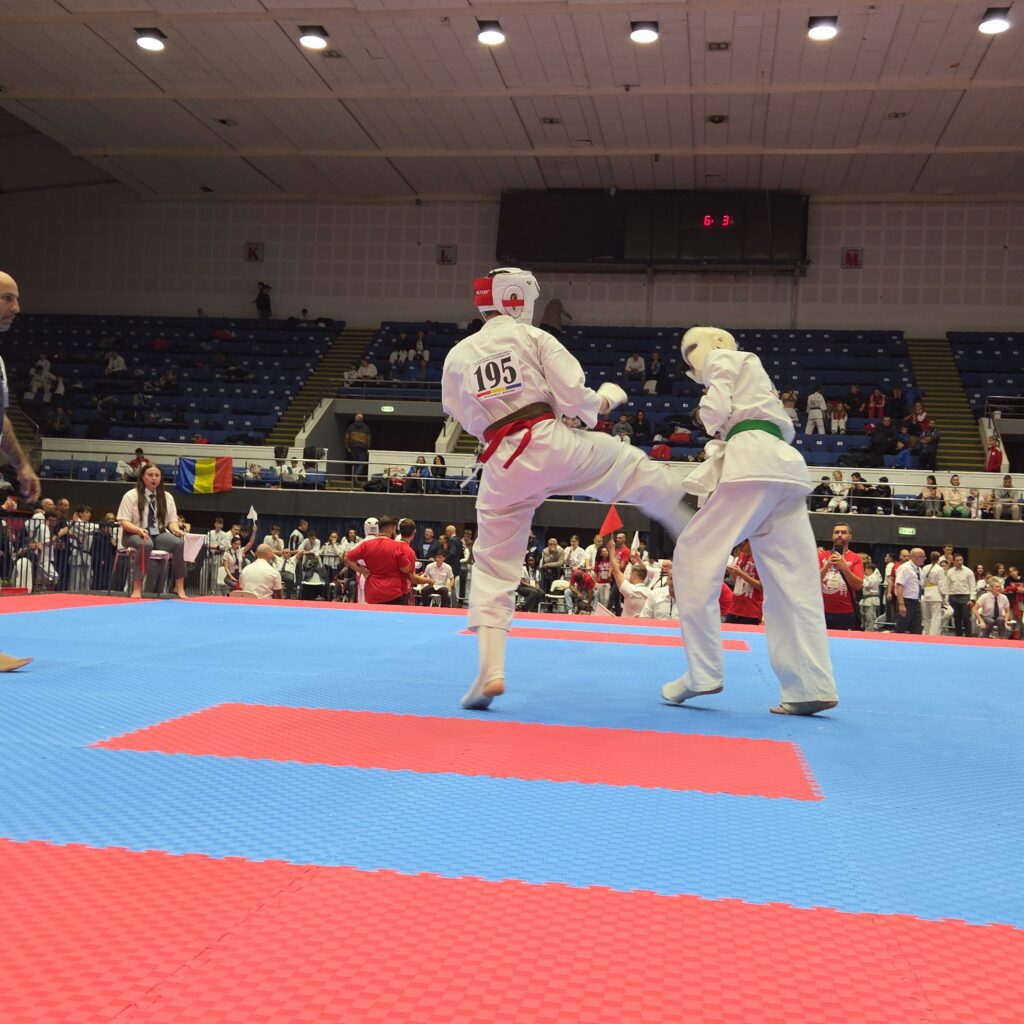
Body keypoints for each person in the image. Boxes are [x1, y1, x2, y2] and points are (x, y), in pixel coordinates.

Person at [443, 267, 692, 711]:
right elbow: (576, 398)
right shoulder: (533, 338)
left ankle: (490, 668)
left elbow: (459, 413)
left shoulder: (457, 356)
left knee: (493, 565)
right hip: (547, 441)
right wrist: (605, 400)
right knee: (627, 464)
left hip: (500, 463)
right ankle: (686, 522)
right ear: (516, 298)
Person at [661, 326, 840, 716]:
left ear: (714, 343)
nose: (692, 364)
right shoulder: (755, 374)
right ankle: (809, 686)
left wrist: (702, 414)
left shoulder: (724, 357)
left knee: (693, 555)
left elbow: (714, 410)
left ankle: (703, 673)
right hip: (784, 469)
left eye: (692, 353)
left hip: (752, 461)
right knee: (793, 582)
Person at [115, 464, 189, 600]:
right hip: (134, 533)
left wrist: (176, 530)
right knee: (146, 544)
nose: (154, 478)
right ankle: (137, 588)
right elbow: (124, 522)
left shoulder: (167, 497)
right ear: (143, 477)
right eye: (150, 475)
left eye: (157, 475)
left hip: (158, 534)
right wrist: (138, 530)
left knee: (179, 543)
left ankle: (179, 588)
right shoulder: (131, 496)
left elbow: (172, 522)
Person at [343, 515, 425, 606]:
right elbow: (405, 569)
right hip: (393, 593)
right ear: (391, 529)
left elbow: (346, 557)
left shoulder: (366, 544)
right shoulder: (397, 546)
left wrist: (362, 570)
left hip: (372, 591)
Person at [818, 522, 864, 630]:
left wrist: (845, 568)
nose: (839, 535)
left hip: (845, 612)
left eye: (843, 532)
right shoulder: (822, 555)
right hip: (821, 610)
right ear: (832, 536)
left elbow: (858, 585)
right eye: (836, 532)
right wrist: (827, 565)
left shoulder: (856, 558)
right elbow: (812, 582)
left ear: (850, 536)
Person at [606, 539, 651, 617]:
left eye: (630, 574)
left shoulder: (631, 590)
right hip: (644, 623)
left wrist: (612, 550)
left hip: (627, 623)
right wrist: (638, 559)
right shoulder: (651, 593)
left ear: (634, 574)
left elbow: (616, 570)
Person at [725, 540, 763, 624]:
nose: (740, 548)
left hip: (751, 611)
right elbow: (737, 581)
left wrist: (742, 574)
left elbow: (762, 586)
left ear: (750, 541)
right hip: (734, 607)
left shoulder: (760, 557)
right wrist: (732, 573)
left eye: (742, 544)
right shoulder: (741, 555)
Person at [894, 547, 926, 634]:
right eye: (923, 556)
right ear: (916, 557)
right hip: (906, 601)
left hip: (916, 601)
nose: (925, 558)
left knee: (917, 630)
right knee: (901, 628)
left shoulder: (918, 569)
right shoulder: (905, 568)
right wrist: (901, 604)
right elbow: (899, 586)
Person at [920, 551, 949, 636]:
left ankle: (926, 633)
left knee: (926, 617)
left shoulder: (925, 567)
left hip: (926, 593)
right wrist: (944, 596)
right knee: (936, 617)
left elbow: (922, 582)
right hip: (936, 593)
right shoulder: (939, 569)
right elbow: (941, 584)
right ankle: (933, 635)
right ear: (938, 559)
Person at [344, 413, 372, 483]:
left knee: (355, 463)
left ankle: (354, 478)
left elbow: (346, 437)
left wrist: (347, 447)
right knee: (362, 463)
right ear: (362, 419)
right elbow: (368, 439)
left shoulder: (351, 427)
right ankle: (356, 475)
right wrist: (367, 448)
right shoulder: (366, 428)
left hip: (353, 447)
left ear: (355, 419)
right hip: (362, 448)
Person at [859, 558, 882, 632]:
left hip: (872, 599)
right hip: (866, 599)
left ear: (870, 570)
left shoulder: (873, 577)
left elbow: (867, 585)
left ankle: (869, 631)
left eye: (866, 569)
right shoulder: (867, 577)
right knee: (864, 615)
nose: (865, 571)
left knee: (870, 617)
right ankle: (865, 629)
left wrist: (862, 579)